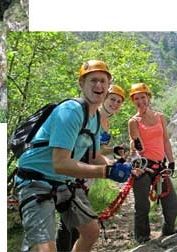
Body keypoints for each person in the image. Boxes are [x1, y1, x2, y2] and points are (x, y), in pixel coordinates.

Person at [15, 60, 135, 252]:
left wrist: (120, 167)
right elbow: (60, 163)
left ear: (108, 86)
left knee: (91, 232)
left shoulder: (95, 118)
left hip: (64, 182)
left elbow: (94, 156)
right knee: (45, 248)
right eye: (93, 81)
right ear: (82, 84)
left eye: (103, 81)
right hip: (34, 178)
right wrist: (107, 172)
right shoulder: (71, 111)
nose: (99, 86)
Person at [55, 84, 127, 251]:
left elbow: (96, 149)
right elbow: (84, 146)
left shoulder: (105, 121)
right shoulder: (94, 115)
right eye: (112, 99)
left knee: (75, 221)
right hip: (79, 169)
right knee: (70, 221)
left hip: (87, 172)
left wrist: (113, 150)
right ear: (104, 98)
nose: (115, 104)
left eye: (118, 101)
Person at [128, 83, 177, 244]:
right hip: (142, 166)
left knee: (172, 203)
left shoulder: (160, 117)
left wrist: (171, 161)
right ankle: (142, 238)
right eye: (136, 98)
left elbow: (165, 140)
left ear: (149, 97)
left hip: (160, 166)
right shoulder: (133, 121)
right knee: (142, 206)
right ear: (133, 101)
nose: (140, 101)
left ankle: (168, 228)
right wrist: (135, 144)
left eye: (143, 97)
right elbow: (137, 146)